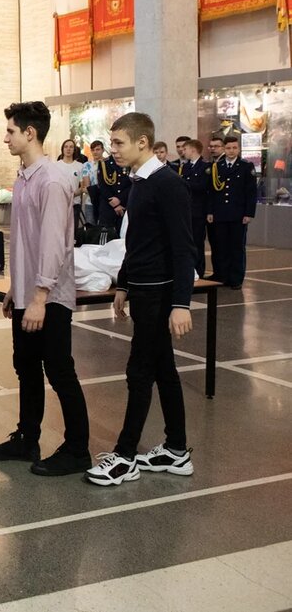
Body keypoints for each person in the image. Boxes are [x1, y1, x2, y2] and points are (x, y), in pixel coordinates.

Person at [0, 101, 91, 477]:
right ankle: (27, 439)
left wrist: (40, 295)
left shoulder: (53, 180)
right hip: (28, 293)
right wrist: (17, 287)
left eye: (11, 131)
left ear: (30, 133)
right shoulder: (24, 178)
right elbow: (25, 240)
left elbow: (54, 244)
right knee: (25, 367)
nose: (5, 138)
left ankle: (78, 450)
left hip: (49, 297)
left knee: (59, 370)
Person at [85, 112, 195, 487]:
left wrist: (181, 304)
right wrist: (124, 284)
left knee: (139, 372)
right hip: (143, 289)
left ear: (142, 142)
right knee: (164, 370)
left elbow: (183, 249)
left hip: (160, 294)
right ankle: (176, 449)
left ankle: (126, 456)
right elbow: (137, 241)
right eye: (111, 143)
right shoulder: (140, 182)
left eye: (118, 143)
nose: (112, 150)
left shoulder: (168, 184)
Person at [206, 135, 257, 289]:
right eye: (228, 148)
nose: (231, 151)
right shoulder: (217, 166)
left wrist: (249, 213)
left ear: (239, 149)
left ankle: (236, 279)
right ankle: (222, 276)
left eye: (234, 148)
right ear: (224, 149)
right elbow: (211, 192)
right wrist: (210, 211)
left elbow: (251, 192)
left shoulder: (246, 166)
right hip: (220, 213)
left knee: (236, 247)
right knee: (221, 247)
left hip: (238, 214)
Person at [180, 139, 210, 277]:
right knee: (187, 242)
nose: (183, 152)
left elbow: (203, 186)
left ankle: (199, 270)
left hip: (198, 210)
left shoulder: (205, 167)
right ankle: (189, 270)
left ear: (193, 150)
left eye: (185, 149)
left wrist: (185, 184)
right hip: (186, 210)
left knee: (197, 242)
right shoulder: (185, 167)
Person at [93, 139, 131, 231]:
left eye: (119, 144)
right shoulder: (104, 163)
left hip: (124, 205)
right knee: (106, 235)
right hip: (108, 206)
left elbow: (131, 184)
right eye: (114, 145)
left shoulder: (129, 163)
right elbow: (102, 185)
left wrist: (120, 199)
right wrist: (114, 203)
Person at [57, 138, 87, 226]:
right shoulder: (56, 166)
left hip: (75, 204)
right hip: (59, 203)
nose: (68, 149)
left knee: (73, 231)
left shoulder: (80, 166)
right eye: (66, 147)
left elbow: (83, 186)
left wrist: (73, 194)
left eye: (71, 147)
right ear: (62, 149)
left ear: (74, 150)